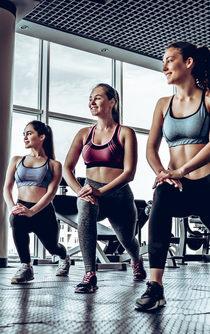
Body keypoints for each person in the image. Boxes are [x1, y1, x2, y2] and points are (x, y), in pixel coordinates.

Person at [135, 41, 210, 312]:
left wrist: (182, 170)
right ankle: (156, 286)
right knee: (159, 209)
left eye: (169, 59)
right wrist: (163, 174)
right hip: (174, 183)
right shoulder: (162, 104)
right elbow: (151, 148)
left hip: (208, 182)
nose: (163, 65)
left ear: (188, 63)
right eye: (163, 60)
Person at [63, 83, 146, 294]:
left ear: (112, 101)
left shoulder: (125, 133)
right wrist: (80, 191)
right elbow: (67, 168)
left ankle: (137, 260)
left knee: (126, 239)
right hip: (91, 192)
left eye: (97, 98)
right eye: (90, 98)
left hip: (119, 194)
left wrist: (101, 191)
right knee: (85, 206)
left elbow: (129, 173)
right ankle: (90, 274)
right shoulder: (84, 134)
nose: (92, 102)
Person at [3, 121, 71, 284]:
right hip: (21, 206)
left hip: (43, 212)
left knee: (52, 247)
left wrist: (33, 211)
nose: (25, 137)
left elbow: (51, 193)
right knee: (17, 220)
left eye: (29, 133)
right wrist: (12, 206)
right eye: (24, 134)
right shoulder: (16, 160)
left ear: (41, 137)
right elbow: (7, 187)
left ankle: (64, 256)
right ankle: (26, 267)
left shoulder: (54, 165)